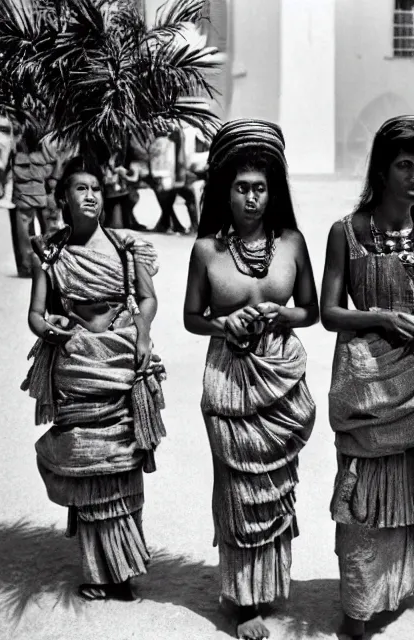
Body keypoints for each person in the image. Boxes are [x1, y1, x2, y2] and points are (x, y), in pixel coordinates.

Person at [183, 120, 318, 640]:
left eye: (260, 188)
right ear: (225, 190)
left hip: (281, 380)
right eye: (241, 187)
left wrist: (283, 316)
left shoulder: (292, 243)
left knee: (276, 486)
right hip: (230, 381)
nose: (251, 198)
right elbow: (192, 317)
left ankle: (268, 585)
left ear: (273, 192)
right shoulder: (206, 251)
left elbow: (309, 309)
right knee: (238, 488)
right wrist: (225, 322)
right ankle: (243, 601)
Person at [21, 156, 166, 601]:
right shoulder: (52, 253)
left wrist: (142, 334)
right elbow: (35, 313)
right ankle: (95, 571)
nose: (90, 195)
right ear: (62, 197)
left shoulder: (126, 248)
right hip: (77, 365)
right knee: (86, 464)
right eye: (80, 188)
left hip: (120, 360)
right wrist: (51, 330)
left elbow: (147, 299)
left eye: (96, 189)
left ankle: (124, 570)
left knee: (122, 463)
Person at [320, 115, 414, 640]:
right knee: (362, 495)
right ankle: (358, 607)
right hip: (367, 385)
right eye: (404, 164)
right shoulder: (348, 232)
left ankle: (398, 590)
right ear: (382, 169)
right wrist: (379, 316)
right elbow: (329, 312)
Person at [10, 128, 63, 278]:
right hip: (42, 194)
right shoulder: (44, 153)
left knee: (25, 232)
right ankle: (50, 261)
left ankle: (27, 266)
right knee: (49, 229)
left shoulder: (17, 154)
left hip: (22, 197)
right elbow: (52, 170)